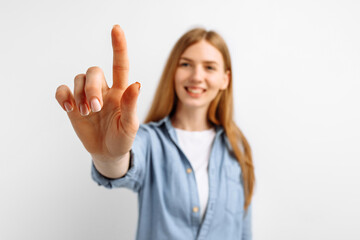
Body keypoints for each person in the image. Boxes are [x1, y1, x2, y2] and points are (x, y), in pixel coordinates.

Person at [55, 24, 255, 240]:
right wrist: (109, 157)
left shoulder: (237, 147)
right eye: (186, 64)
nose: (197, 76)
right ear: (173, 72)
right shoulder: (149, 141)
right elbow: (121, 163)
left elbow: (243, 232)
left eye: (209, 67)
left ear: (225, 79)